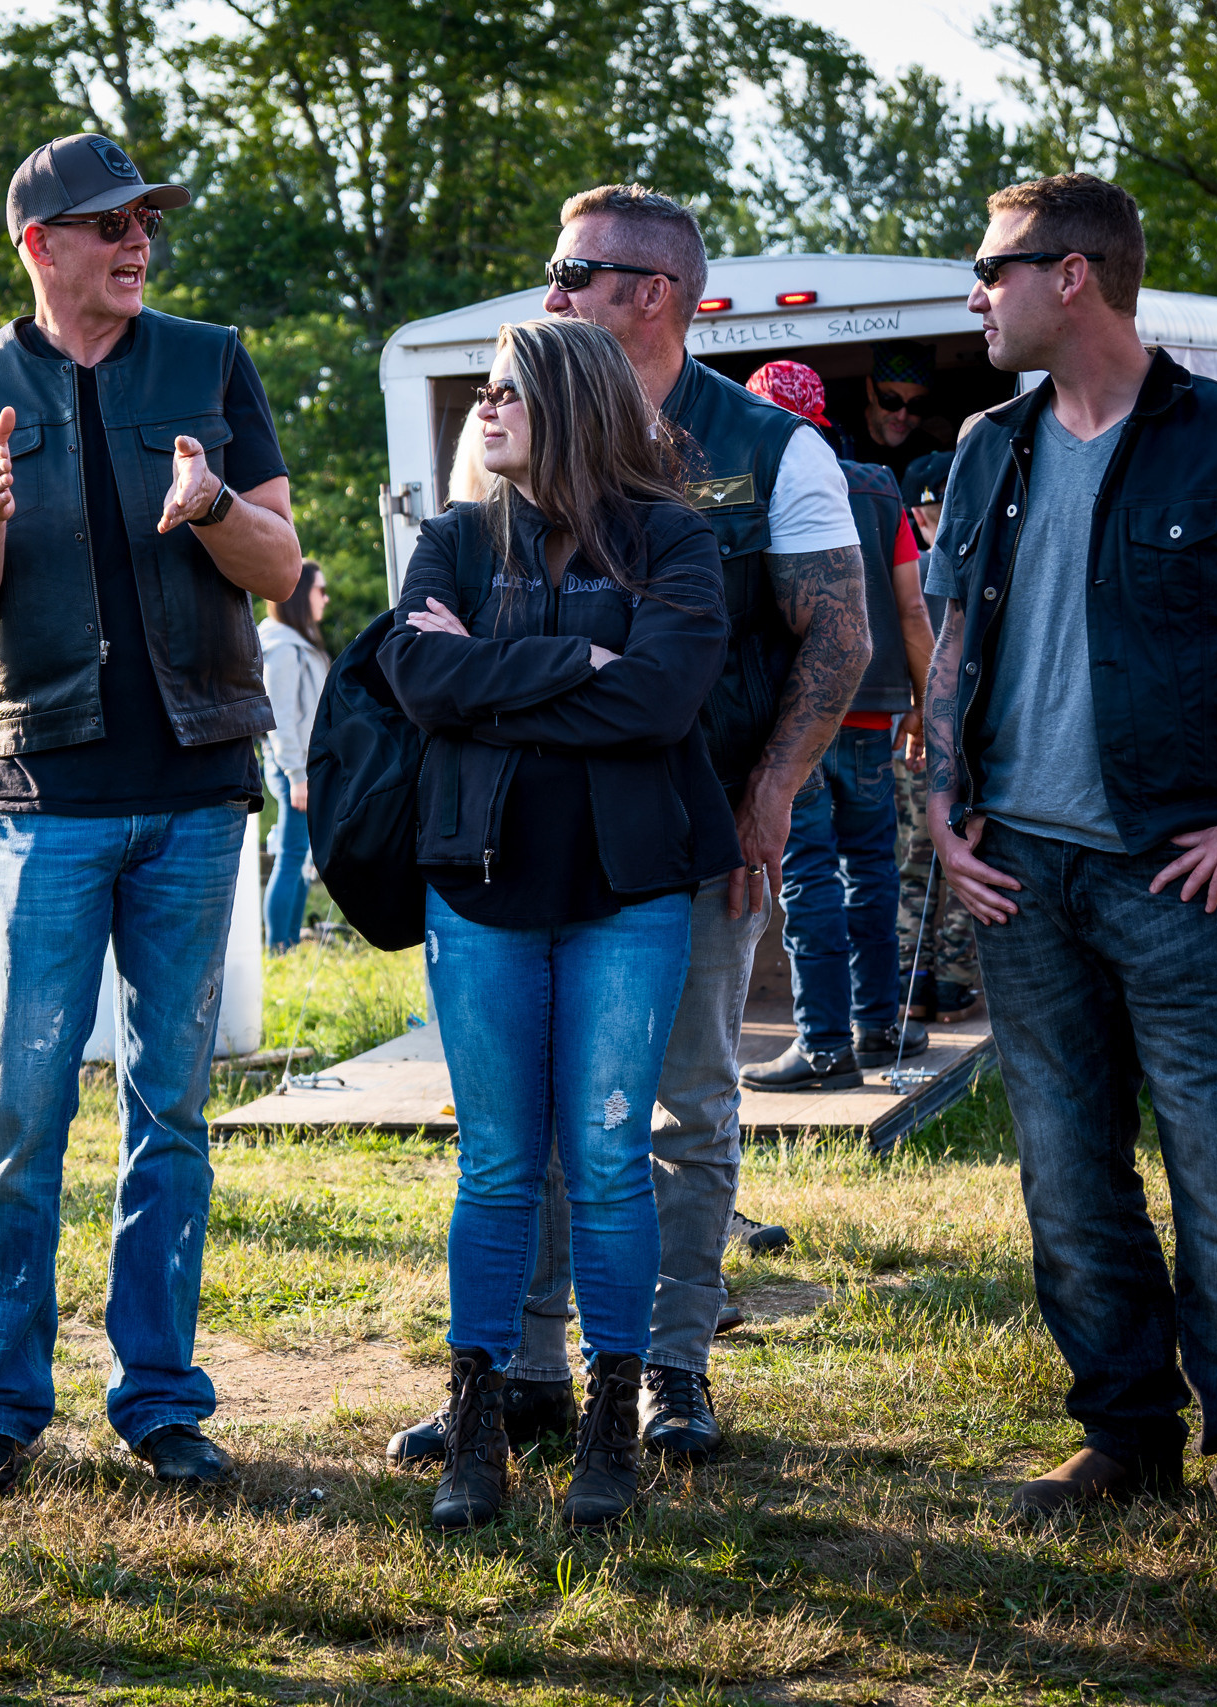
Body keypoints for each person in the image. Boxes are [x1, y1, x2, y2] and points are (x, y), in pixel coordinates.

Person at [923, 174, 1217, 1563]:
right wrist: (941, 812)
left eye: (996, 268)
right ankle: (1122, 1434)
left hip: (1174, 871)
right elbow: (953, 641)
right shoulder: (988, 443)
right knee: (1066, 1174)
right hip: (1023, 873)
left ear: (1075, 278)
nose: (977, 294)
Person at [387, 184, 869, 1471]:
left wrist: (769, 798)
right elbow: (428, 651)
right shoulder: (497, 444)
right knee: (527, 1132)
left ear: (646, 292)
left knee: (681, 1112)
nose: (547, 295)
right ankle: (527, 1373)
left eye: (570, 273)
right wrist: (580, 673)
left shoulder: (772, 449)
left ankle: (671, 1370)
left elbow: (840, 636)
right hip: (521, 835)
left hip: (688, 840)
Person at [0, 134, 302, 1507]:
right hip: (50, 800)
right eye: (107, 222)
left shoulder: (209, 359)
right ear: (39, 244)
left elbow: (282, 561)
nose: (137, 240)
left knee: (172, 1110)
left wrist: (206, 511)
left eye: (146, 218)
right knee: (20, 1111)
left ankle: (158, 1398)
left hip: (199, 791)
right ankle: (0, 1404)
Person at [383, 317, 737, 1530]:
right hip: (478, 894)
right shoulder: (452, 537)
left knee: (602, 1161)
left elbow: (660, 701)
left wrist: (495, 671)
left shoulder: (675, 539)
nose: (481, 410)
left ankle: (609, 1422)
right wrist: (574, 662)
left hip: (625, 896)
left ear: (573, 402)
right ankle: (475, 1429)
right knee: (493, 1169)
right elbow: (414, 682)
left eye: (506, 392)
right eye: (476, 391)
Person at [734, 362, 936, 1092]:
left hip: (804, 715)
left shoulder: (760, 478)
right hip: (875, 713)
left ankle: (822, 1045)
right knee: (871, 868)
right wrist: (922, 703)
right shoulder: (882, 488)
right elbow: (913, 610)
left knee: (811, 873)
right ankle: (878, 1028)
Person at [891, 449, 979, 1021]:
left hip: (912, 734)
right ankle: (952, 979)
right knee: (969, 851)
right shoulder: (978, 565)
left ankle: (909, 981)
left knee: (913, 859)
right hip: (970, 733)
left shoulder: (906, 574)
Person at [258, 561, 330, 953]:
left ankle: (289, 943)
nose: (326, 598)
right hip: (294, 771)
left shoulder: (294, 640)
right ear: (302, 595)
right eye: (320, 590)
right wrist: (297, 775)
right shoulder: (282, 647)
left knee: (301, 857)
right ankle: (279, 948)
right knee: (290, 856)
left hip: (303, 769)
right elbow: (279, 717)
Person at [851, 340, 944, 480]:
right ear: (871, 391)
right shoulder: (837, 442)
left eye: (916, 405)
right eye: (891, 401)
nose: (902, 416)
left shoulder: (930, 454)